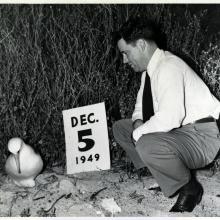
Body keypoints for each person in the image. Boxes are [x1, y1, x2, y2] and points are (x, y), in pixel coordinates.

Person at [112, 17, 220, 213]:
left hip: (202, 136)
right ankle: (158, 172)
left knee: (145, 142)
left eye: (126, 53)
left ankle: (189, 188)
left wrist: (138, 134)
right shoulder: (150, 72)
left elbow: (170, 118)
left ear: (142, 45)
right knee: (121, 128)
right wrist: (137, 122)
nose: (125, 60)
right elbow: (139, 107)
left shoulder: (169, 66)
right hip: (182, 132)